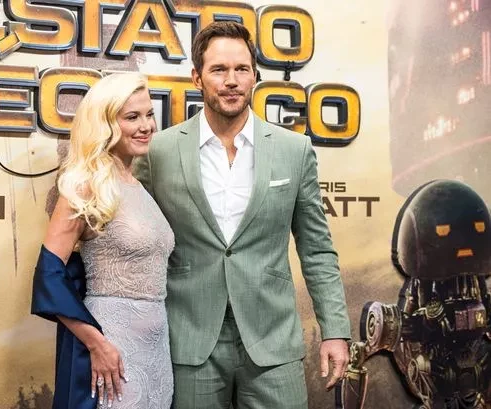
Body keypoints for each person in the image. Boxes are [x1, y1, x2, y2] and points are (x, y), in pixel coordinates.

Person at [134, 21, 351, 409]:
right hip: (189, 339)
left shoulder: (294, 150)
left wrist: (335, 331)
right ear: (197, 78)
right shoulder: (159, 152)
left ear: (255, 76)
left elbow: (317, 250)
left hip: (273, 341)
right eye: (219, 70)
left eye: (241, 70)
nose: (231, 80)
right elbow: (135, 243)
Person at [31, 72, 174, 409]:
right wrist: (96, 345)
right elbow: (49, 275)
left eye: (149, 114)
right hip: (111, 340)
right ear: (106, 123)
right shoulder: (85, 185)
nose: (146, 126)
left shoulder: (140, 185)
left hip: (156, 343)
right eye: (132, 117)